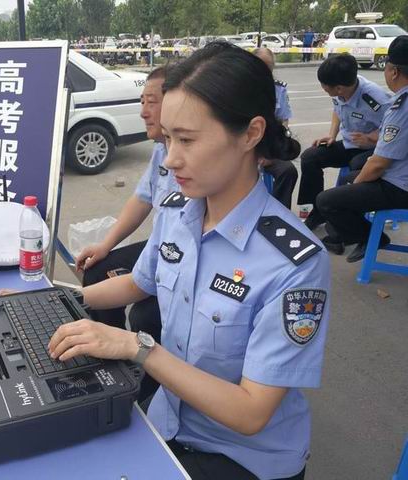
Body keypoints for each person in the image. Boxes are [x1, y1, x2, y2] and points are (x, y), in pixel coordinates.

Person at [48, 43, 329, 480]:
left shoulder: (294, 264)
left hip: (241, 455)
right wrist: (51, 300)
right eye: (167, 139)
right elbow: (139, 284)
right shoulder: (178, 211)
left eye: (187, 140)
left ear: (251, 134)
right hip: (169, 418)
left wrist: (138, 347)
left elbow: (252, 412)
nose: (170, 158)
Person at [76, 65, 179, 402]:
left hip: (177, 255)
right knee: (96, 270)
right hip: (163, 248)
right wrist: (105, 245)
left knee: (146, 315)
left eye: (152, 102)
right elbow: (143, 199)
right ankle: (112, 354)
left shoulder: (195, 168)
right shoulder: (162, 150)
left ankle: (147, 385)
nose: (143, 111)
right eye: (141, 101)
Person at [315, 36, 408, 262]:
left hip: (400, 186)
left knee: (327, 200)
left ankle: (371, 238)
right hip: (398, 174)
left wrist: (356, 186)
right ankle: (342, 235)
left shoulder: (401, 107)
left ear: (394, 71)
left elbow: (378, 164)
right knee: (348, 180)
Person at [297, 54, 391, 231]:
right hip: (350, 144)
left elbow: (395, 132)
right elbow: (337, 109)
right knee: (310, 157)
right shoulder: (342, 87)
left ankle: (352, 220)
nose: (324, 90)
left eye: (326, 88)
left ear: (339, 88)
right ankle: (317, 211)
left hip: (374, 149)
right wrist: (332, 135)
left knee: (356, 165)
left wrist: (371, 138)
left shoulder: (376, 99)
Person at [254, 47, 299, 209]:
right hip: (244, 148)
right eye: (262, 65)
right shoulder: (239, 87)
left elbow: (284, 122)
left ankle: (277, 211)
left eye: (270, 66)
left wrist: (273, 151)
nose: (266, 71)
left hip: (268, 146)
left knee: (288, 171)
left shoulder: (278, 89)